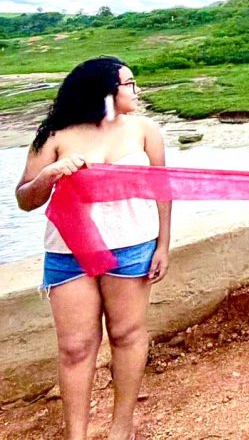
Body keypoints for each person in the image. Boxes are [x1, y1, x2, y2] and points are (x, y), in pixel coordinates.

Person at [15, 56, 171, 440]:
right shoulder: (54, 134)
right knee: (75, 348)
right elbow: (25, 199)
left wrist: (163, 244)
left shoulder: (145, 130)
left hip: (133, 247)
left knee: (126, 334)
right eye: (129, 84)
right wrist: (50, 175)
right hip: (69, 254)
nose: (137, 90)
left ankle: (122, 429)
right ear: (104, 90)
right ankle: (76, 436)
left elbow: (163, 189)